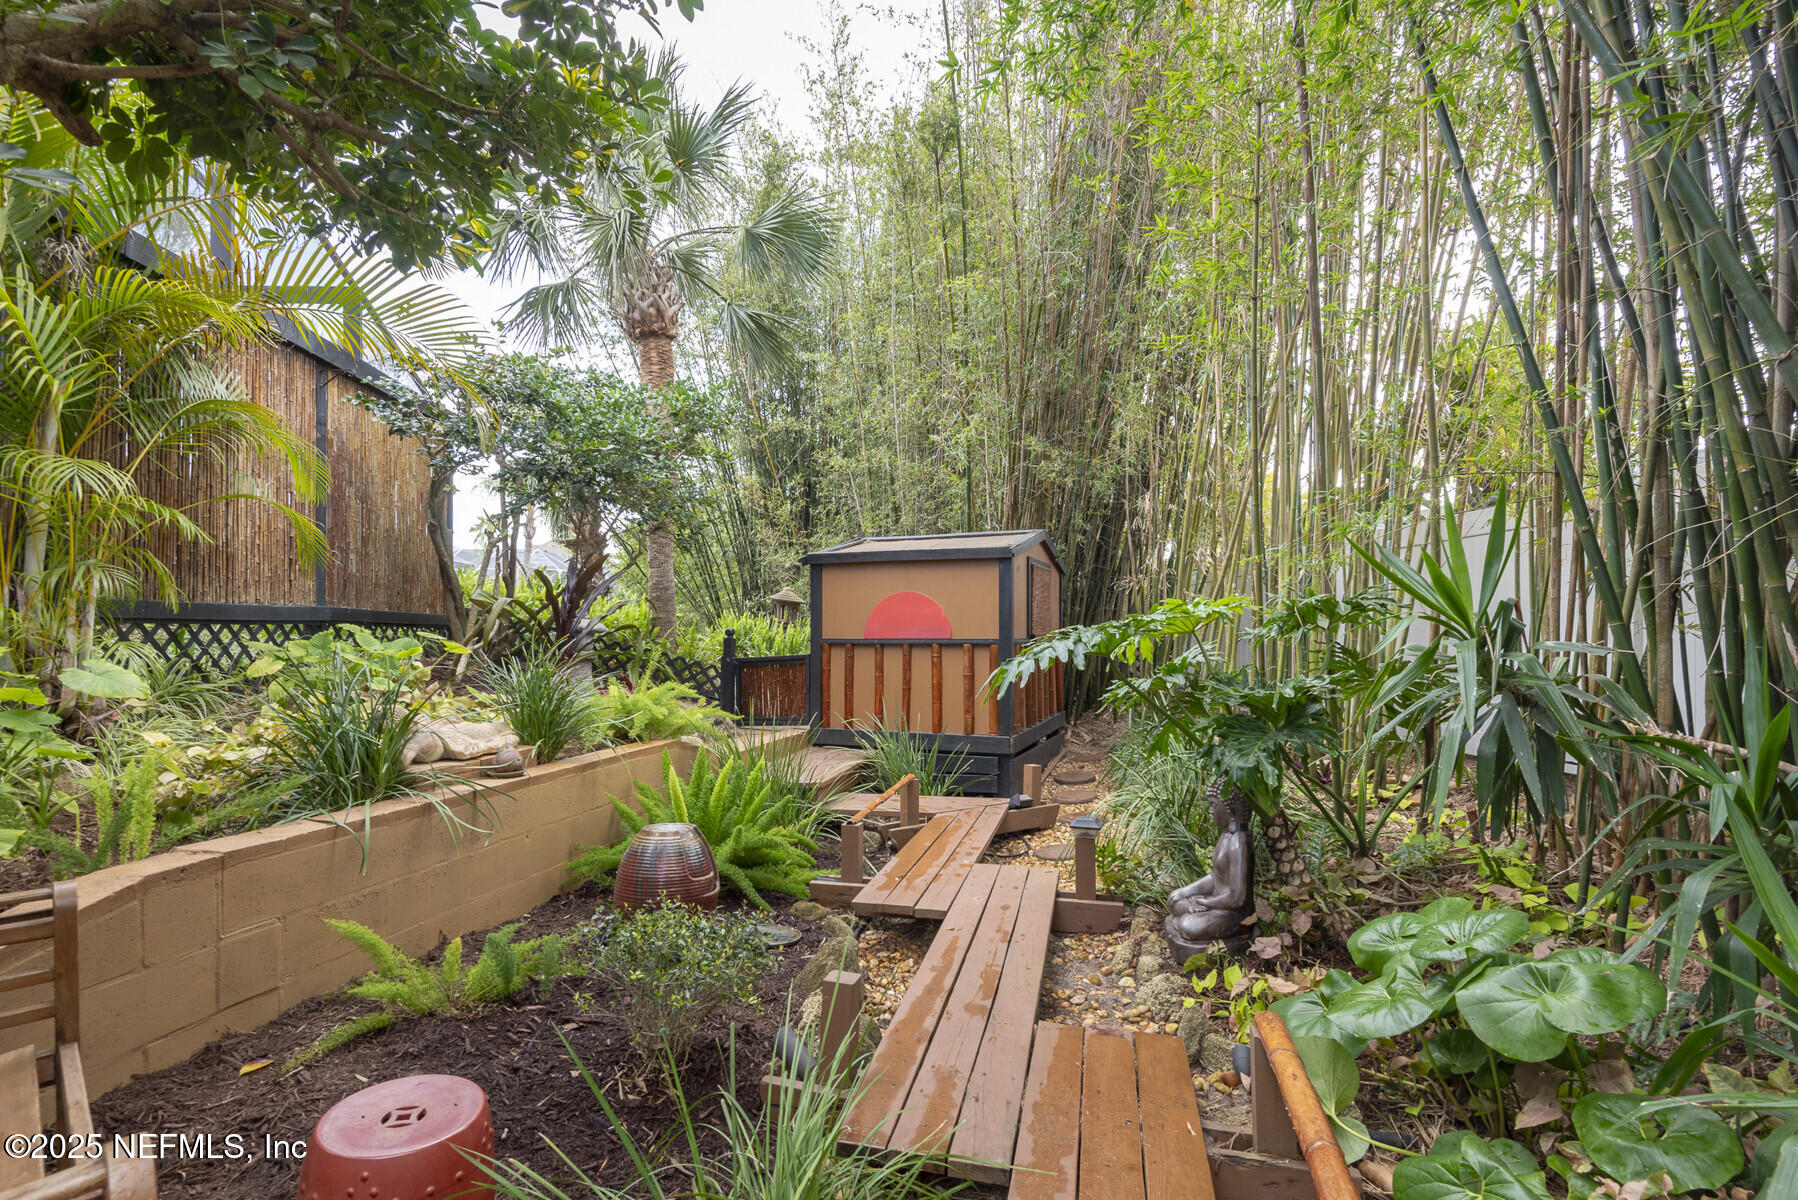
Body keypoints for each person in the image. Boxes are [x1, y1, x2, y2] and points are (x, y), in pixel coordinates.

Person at [1165, 781, 1255, 958]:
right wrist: (1186, 891)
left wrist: (1204, 904)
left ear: (1231, 808)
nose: (1210, 811)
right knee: (1174, 899)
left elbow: (1237, 897)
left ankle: (1186, 921)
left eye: (1214, 804)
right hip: (1215, 903)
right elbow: (1216, 876)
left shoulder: (1240, 842)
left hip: (1234, 915)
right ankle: (1186, 916)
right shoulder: (1226, 836)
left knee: (1188, 925)